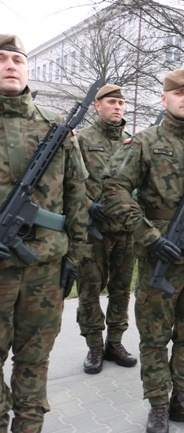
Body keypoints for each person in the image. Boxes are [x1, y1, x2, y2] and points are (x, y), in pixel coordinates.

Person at [102, 69, 184, 432]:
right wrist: (148, 235)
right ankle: (159, 403)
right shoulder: (144, 142)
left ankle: (183, 399)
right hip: (159, 256)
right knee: (156, 336)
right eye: (179, 93)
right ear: (165, 99)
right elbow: (113, 189)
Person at [0, 34, 89, 432]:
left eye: (17, 59)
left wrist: (75, 258)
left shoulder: (57, 127)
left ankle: (29, 424)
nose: (10, 65)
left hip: (44, 269)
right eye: (1, 59)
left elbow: (77, 198)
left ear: (28, 68)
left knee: (34, 358)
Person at [76, 83, 137, 375]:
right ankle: (94, 345)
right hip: (93, 230)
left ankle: (115, 341)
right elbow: (70, 182)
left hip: (125, 230)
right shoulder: (82, 139)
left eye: (121, 103)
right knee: (89, 288)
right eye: (111, 102)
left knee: (121, 290)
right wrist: (89, 206)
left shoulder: (132, 142)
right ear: (97, 105)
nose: (117, 107)